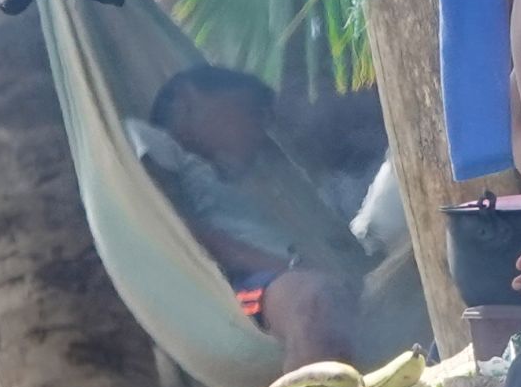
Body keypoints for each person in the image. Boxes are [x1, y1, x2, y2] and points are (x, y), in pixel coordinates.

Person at [132, 65, 358, 368]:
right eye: (254, 111)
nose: (262, 129)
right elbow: (174, 227)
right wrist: (287, 266)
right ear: (188, 98)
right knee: (315, 303)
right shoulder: (154, 141)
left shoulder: (241, 173)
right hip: (233, 286)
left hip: (282, 277)